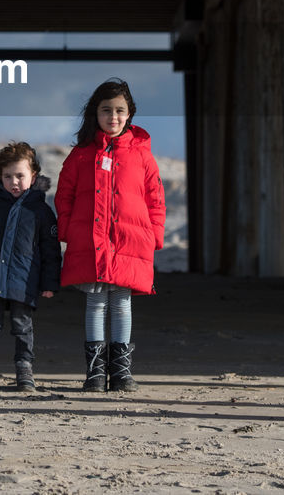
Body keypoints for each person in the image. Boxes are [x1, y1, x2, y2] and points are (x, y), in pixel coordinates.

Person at [55, 78, 166, 392]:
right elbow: (64, 195)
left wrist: (154, 236)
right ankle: (94, 374)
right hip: (91, 241)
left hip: (131, 241)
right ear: (96, 113)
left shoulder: (142, 155)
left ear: (129, 114)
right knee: (95, 303)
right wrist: (66, 231)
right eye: (106, 110)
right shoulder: (80, 155)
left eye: (120, 110)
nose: (113, 117)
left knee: (121, 304)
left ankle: (121, 373)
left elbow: (156, 198)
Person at [0, 141, 62, 392]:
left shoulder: (41, 211)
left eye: (20, 176)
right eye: (7, 176)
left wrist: (49, 283)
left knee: (22, 326)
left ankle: (24, 370)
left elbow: (50, 251)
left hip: (24, 280)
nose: (14, 182)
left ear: (33, 176)